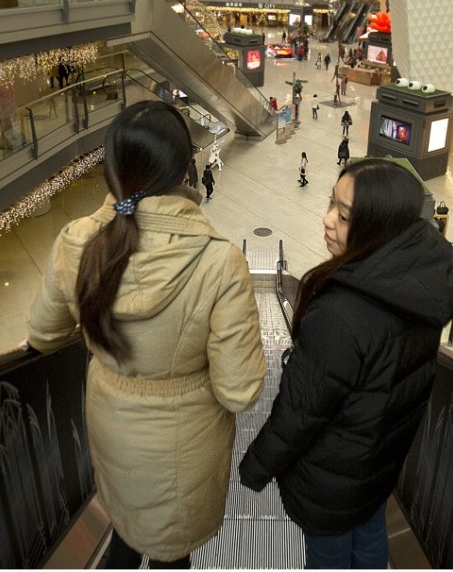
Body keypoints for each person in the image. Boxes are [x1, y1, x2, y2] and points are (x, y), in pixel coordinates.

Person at [26, 100, 265, 568]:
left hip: (112, 428)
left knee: (126, 531)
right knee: (171, 554)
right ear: (184, 167)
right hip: (185, 451)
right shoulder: (219, 262)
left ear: (111, 166)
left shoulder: (77, 241)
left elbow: (43, 335)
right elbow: (240, 391)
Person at [238, 159, 453, 569]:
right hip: (378, 467)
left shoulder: (340, 317)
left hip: (332, 482)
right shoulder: (420, 285)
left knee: (329, 557)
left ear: (378, 227)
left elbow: (300, 411)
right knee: (369, 537)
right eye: (332, 204)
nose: (327, 220)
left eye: (344, 217)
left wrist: (257, 466)